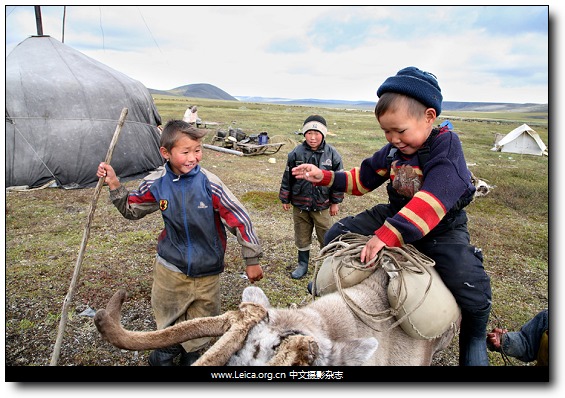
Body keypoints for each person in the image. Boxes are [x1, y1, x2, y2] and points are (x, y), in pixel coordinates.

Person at [292, 66, 492, 366]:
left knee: (471, 285)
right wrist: (324, 176)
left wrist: (386, 235)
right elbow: (363, 180)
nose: (393, 138)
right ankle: (322, 285)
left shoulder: (446, 146)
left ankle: (473, 341)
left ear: (428, 117)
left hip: (440, 227)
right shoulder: (393, 151)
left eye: (400, 130)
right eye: (387, 131)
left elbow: (433, 199)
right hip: (396, 213)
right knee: (337, 232)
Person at [96, 120, 263, 366]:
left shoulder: (211, 184)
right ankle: (164, 352)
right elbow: (132, 209)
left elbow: (239, 218)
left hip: (207, 268)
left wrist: (252, 259)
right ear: (166, 153)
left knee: (203, 316)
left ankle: (191, 354)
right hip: (170, 267)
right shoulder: (157, 183)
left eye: (197, 150)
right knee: (167, 312)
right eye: (185, 152)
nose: (193, 157)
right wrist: (114, 184)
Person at [279, 115, 344, 279]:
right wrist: (285, 198)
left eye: (317, 133)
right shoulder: (295, 153)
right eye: (309, 133)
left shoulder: (333, 155)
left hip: (322, 205)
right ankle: (302, 264)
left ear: (323, 134)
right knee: (301, 234)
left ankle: (327, 267)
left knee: (326, 235)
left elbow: (338, 180)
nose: (313, 137)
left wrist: (335, 202)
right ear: (304, 134)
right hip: (300, 204)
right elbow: (288, 177)